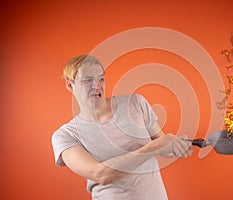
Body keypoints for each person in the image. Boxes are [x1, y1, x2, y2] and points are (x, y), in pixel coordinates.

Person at [51, 54, 194, 200]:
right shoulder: (66, 135)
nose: (96, 85)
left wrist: (177, 147)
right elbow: (100, 174)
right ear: (70, 85)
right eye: (87, 80)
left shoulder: (135, 103)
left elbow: (163, 145)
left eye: (101, 78)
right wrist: (154, 147)